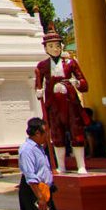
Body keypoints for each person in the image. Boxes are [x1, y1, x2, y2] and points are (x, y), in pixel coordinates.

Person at [35, 25, 89, 174]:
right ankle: (61, 166)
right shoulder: (42, 66)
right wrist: (38, 92)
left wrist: (76, 83)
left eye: (57, 45)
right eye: (51, 46)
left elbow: (84, 84)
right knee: (57, 134)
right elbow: (38, 84)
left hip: (70, 102)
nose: (54, 49)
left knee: (76, 131)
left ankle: (81, 165)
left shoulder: (70, 63)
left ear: (61, 46)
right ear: (46, 48)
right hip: (54, 105)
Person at [19, 117, 58, 210]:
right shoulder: (27, 150)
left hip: (45, 190)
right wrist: (40, 198)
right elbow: (30, 176)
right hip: (34, 191)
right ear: (37, 133)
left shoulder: (39, 148)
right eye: (45, 133)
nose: (47, 136)